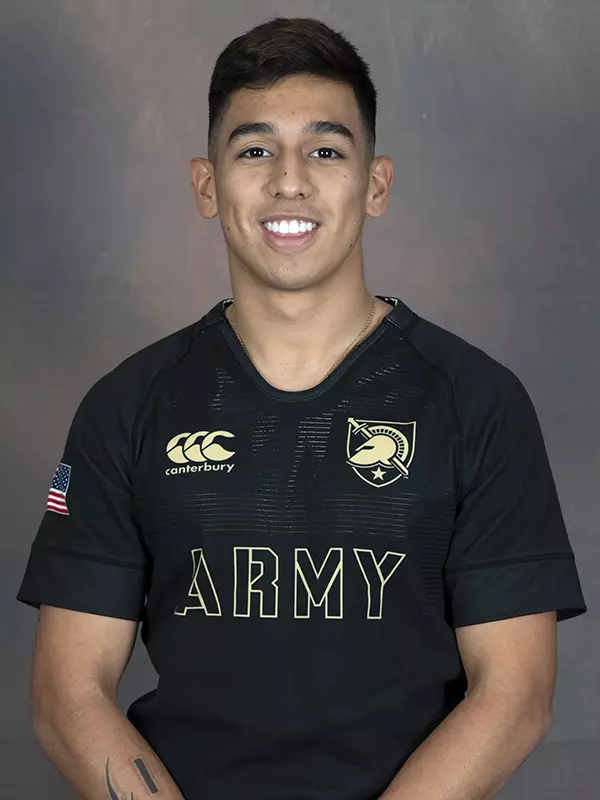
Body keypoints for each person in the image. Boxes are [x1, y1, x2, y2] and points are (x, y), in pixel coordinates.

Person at [17, 15, 587, 800]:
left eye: (325, 149)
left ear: (376, 184)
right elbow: (66, 693)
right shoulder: (128, 406)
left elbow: (516, 696)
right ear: (207, 186)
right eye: (255, 150)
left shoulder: (476, 402)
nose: (290, 180)